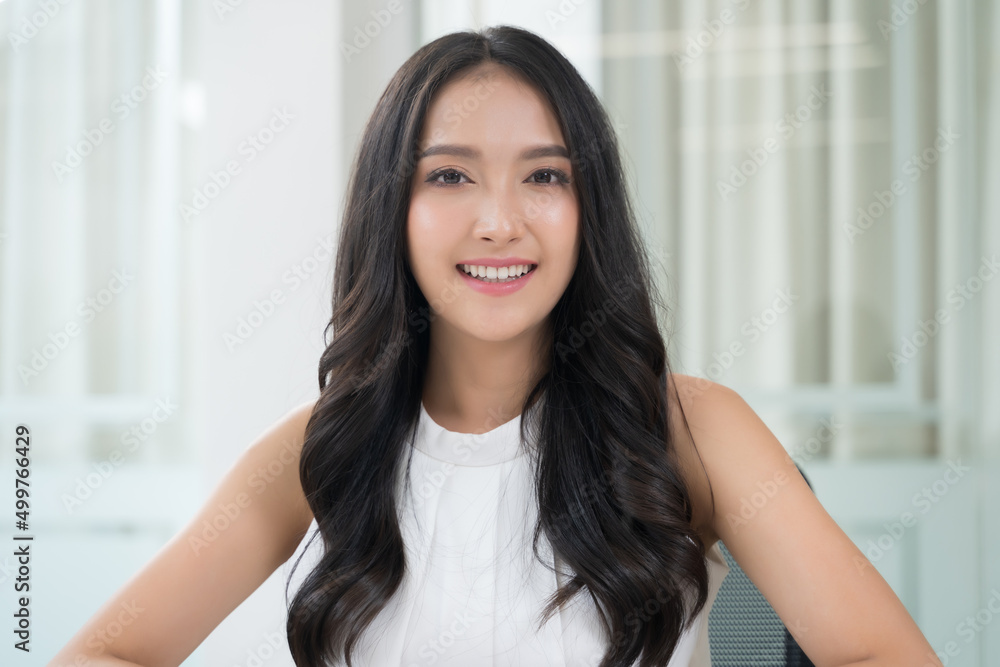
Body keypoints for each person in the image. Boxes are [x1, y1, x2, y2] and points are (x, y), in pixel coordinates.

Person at [50, 24, 942, 667]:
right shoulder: (323, 443)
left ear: (589, 209)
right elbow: (104, 652)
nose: (499, 221)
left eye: (545, 176)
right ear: (390, 210)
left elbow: (885, 655)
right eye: (450, 175)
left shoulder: (689, 426)